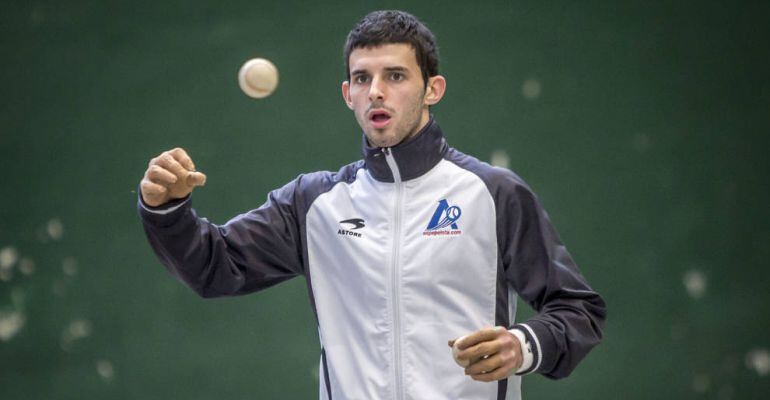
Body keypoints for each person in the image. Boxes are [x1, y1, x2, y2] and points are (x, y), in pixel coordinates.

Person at [138, 10, 606, 400]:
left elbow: (576, 311)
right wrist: (166, 210)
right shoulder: (312, 203)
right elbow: (214, 266)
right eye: (362, 78)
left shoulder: (494, 193)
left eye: (395, 76)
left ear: (432, 90)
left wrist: (522, 346)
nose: (376, 91)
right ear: (348, 95)